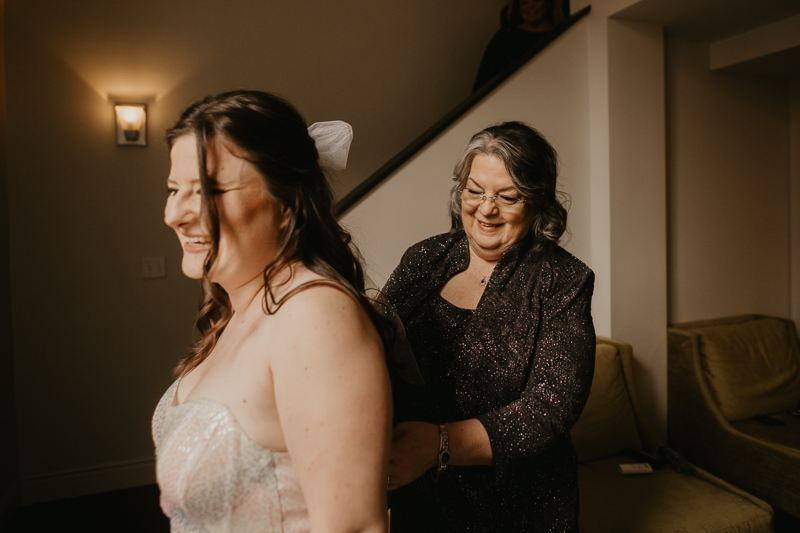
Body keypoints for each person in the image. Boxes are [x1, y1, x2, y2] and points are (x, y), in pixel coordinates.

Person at [152, 90, 392, 533]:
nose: (175, 214)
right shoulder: (236, 307)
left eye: (209, 190)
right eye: (173, 189)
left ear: (289, 204)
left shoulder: (313, 316)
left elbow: (355, 526)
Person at [384, 121, 595, 532]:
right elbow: (375, 342)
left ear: (537, 203)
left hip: (517, 507)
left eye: (508, 196)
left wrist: (438, 445)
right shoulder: (424, 258)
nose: (485, 209)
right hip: (421, 499)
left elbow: (550, 408)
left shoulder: (564, 280)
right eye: (474, 190)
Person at [473, 0, 556, 91]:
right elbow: (483, 80)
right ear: (519, 9)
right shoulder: (504, 37)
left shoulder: (560, 35)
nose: (531, 5)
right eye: (525, 2)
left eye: (536, 0)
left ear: (548, 3)